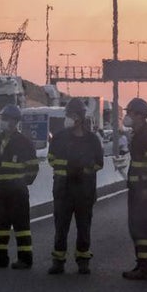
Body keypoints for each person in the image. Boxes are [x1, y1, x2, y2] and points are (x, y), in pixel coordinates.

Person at [47, 99, 104, 274]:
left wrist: (84, 169)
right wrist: (68, 165)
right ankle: (58, 261)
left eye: (70, 115)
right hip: (63, 191)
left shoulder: (92, 140)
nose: (67, 119)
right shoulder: (59, 138)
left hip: (84, 191)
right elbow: (51, 159)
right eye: (67, 115)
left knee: (84, 228)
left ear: (79, 118)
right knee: (61, 228)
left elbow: (99, 163)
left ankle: (83, 260)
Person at [0, 105, 40, 269]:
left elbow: (33, 167)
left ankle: (25, 259)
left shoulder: (23, 142)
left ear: (14, 121)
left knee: (21, 225)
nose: (3, 122)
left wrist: (23, 182)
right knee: (0, 224)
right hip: (1, 189)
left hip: (18, 192)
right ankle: (0, 259)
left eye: (6, 119)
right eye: (2, 118)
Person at [122, 98, 147, 280]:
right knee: (137, 228)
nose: (127, 116)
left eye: (129, 113)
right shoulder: (138, 135)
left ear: (139, 115)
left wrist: (146, 188)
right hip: (137, 190)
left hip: (143, 192)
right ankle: (143, 263)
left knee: (143, 229)